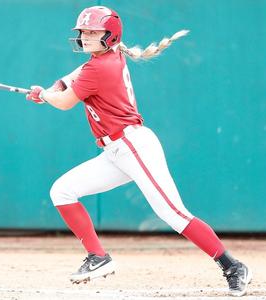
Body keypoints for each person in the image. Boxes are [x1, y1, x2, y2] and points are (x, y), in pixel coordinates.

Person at [26, 5, 252, 297]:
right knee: (62, 191)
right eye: (83, 31)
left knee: (174, 215)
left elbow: (65, 100)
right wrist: (47, 90)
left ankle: (233, 266)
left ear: (110, 35)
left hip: (133, 147)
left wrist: (44, 96)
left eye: (93, 32)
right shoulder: (102, 59)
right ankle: (98, 257)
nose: (85, 36)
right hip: (115, 152)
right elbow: (67, 81)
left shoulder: (100, 66)